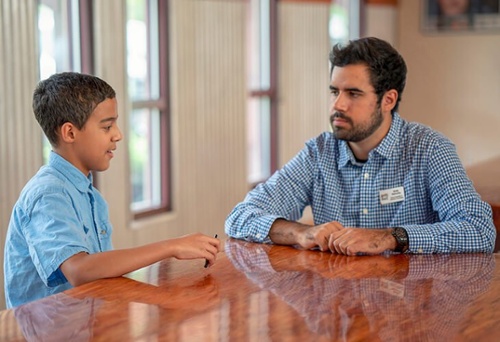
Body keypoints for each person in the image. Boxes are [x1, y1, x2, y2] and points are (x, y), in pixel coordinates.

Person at [225, 37, 495, 256]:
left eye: (353, 93)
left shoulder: (430, 150)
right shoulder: (318, 152)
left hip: (409, 311)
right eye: (334, 92)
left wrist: (389, 238)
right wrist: (300, 233)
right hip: (337, 310)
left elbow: (479, 230)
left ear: (388, 100)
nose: (337, 105)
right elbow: (240, 217)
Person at [4, 72, 221, 309]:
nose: (117, 135)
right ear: (70, 133)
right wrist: (172, 247)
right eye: (107, 126)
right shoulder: (47, 195)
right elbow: (79, 269)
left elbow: (101, 274)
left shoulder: (89, 194)